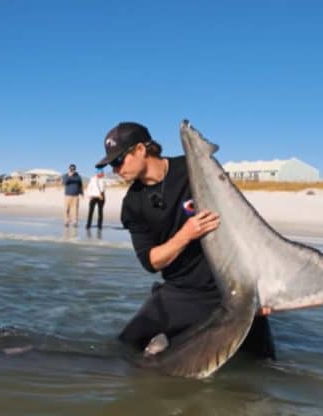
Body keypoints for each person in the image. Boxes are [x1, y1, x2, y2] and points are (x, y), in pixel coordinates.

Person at [95, 121, 274, 358]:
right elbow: (151, 262)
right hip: (183, 291)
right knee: (126, 348)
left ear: (140, 149)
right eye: (111, 165)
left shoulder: (195, 169)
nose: (115, 170)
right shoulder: (132, 204)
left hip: (230, 286)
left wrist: (262, 290)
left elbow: (245, 230)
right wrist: (186, 234)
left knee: (262, 366)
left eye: (118, 161)